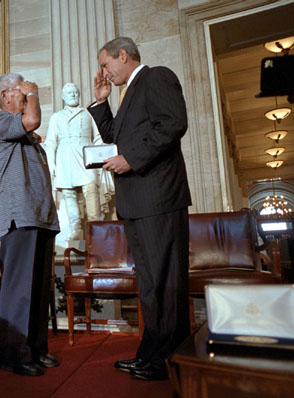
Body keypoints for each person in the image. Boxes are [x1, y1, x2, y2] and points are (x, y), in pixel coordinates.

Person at [88, 37, 191, 381]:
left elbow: (173, 124)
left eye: (105, 64)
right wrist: (101, 102)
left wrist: (131, 159)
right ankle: (151, 354)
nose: (103, 72)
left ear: (123, 55)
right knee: (151, 283)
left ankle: (167, 359)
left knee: (164, 281)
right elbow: (115, 135)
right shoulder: (126, 93)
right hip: (138, 202)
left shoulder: (156, 77)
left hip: (158, 197)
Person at [0, 72, 60, 377]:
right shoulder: (0, 121)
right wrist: (35, 95)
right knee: (19, 289)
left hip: (40, 216)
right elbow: (31, 120)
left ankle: (36, 349)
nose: (27, 93)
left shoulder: (28, 137)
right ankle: (15, 355)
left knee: (39, 289)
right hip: (19, 216)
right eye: (21, 90)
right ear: (6, 97)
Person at [44, 82, 105, 240]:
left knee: (91, 188)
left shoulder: (86, 114)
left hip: (86, 156)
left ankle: (95, 226)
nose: (72, 95)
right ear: (63, 97)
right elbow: (51, 143)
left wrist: (103, 158)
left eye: (75, 92)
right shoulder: (56, 117)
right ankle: (75, 227)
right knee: (68, 193)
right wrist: (52, 165)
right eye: (69, 93)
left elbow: (97, 138)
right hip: (65, 157)